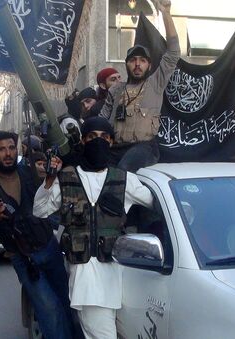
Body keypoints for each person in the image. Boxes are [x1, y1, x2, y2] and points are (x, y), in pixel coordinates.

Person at [33, 117, 154, 339]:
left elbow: (157, 201)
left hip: (121, 279)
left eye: (104, 137)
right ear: (83, 141)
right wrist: (50, 180)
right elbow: (39, 210)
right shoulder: (67, 178)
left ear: (111, 141)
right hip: (88, 281)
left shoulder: (124, 180)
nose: (98, 141)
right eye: (92, 137)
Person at [0, 131, 75, 339]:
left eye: (11, 147)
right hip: (24, 259)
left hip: (49, 248)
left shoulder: (30, 171)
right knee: (50, 310)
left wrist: (54, 168)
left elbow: (55, 177)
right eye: (2, 149)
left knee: (68, 303)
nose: (8, 153)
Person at [100, 0, 179, 173]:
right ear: (126, 64)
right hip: (116, 147)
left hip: (145, 148)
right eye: (133, 60)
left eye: (142, 61)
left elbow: (173, 52)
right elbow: (102, 120)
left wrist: (166, 13)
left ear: (149, 66)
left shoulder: (155, 83)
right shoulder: (116, 90)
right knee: (95, 166)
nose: (137, 64)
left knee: (123, 169)